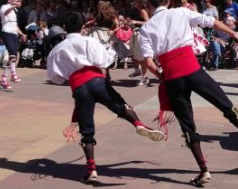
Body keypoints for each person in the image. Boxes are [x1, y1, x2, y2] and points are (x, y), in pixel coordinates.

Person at [139, 0, 238, 186]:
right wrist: (233, 34)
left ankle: (204, 170)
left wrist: (162, 76)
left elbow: (149, 63)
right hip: (192, 70)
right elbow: (213, 22)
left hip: (173, 78)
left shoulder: (146, 29)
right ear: (168, 1)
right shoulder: (181, 12)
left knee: (187, 125)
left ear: (149, 6)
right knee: (223, 103)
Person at [46, 12, 165, 183]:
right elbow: (105, 61)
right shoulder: (88, 40)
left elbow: (55, 77)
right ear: (82, 27)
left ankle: (92, 169)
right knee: (120, 105)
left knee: (86, 129)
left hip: (79, 86)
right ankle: (138, 123)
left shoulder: (57, 49)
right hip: (97, 80)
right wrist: (110, 50)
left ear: (65, 28)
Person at [0, 0, 27, 89]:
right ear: (8, 0)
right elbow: (5, 13)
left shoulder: (14, 10)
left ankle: (4, 78)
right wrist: (13, 6)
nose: (15, 0)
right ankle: (13, 75)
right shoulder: (4, 7)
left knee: (13, 55)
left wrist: (22, 34)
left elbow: (15, 25)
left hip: (14, 33)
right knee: (12, 54)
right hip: (6, 32)